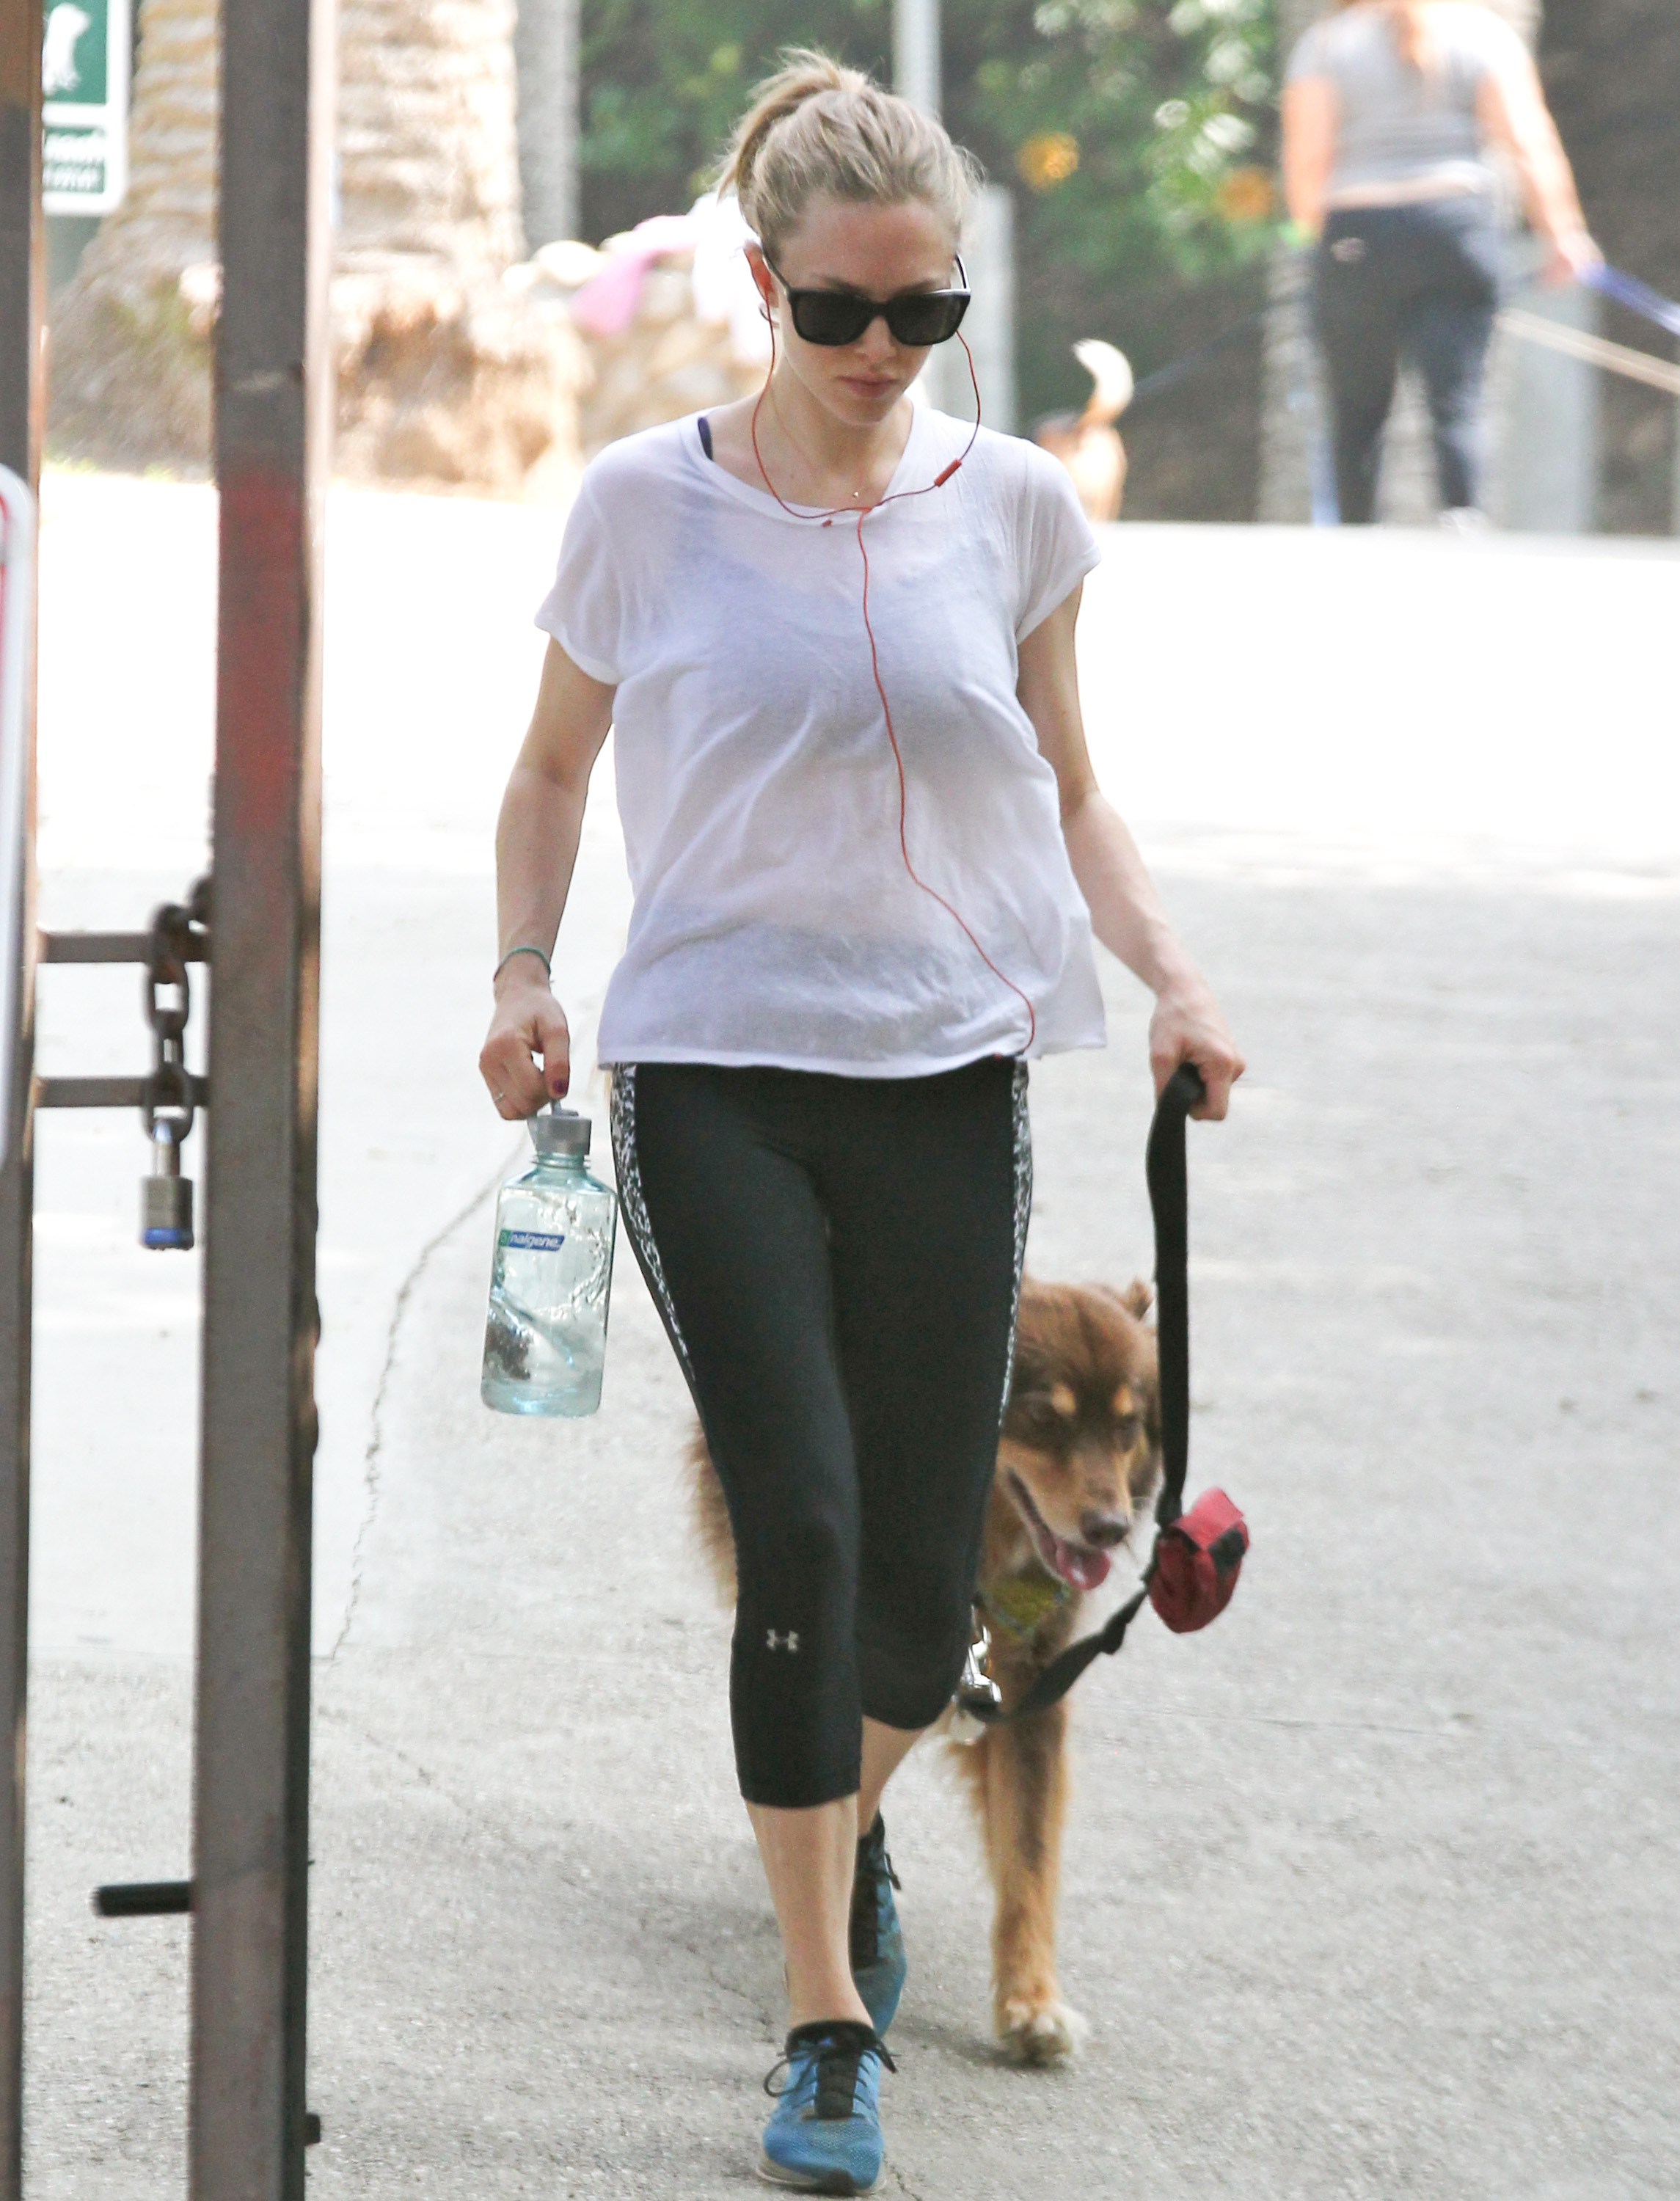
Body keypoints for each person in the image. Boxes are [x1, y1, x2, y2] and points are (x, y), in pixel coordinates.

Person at [479, 49, 1243, 2194]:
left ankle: (829, 1809)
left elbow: (1073, 792)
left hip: (946, 1074)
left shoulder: (1016, 508)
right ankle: (828, 2014)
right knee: (802, 1528)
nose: (881, 349)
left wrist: (1175, 983)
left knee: (922, 1607)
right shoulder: (645, 506)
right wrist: (525, 967)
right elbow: (550, 769)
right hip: (716, 1078)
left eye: (925, 311)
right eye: (838, 309)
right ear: (762, 285)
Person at [1281, 0, 1598, 524]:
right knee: (1458, 397)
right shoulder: (1481, 33)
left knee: (1358, 409)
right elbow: (1527, 142)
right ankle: (1462, 517)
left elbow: (1307, 156)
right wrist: (1563, 234)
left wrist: (1305, 238)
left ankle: (1353, 534)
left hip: (1358, 238)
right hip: (1455, 230)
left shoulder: (1327, 44)